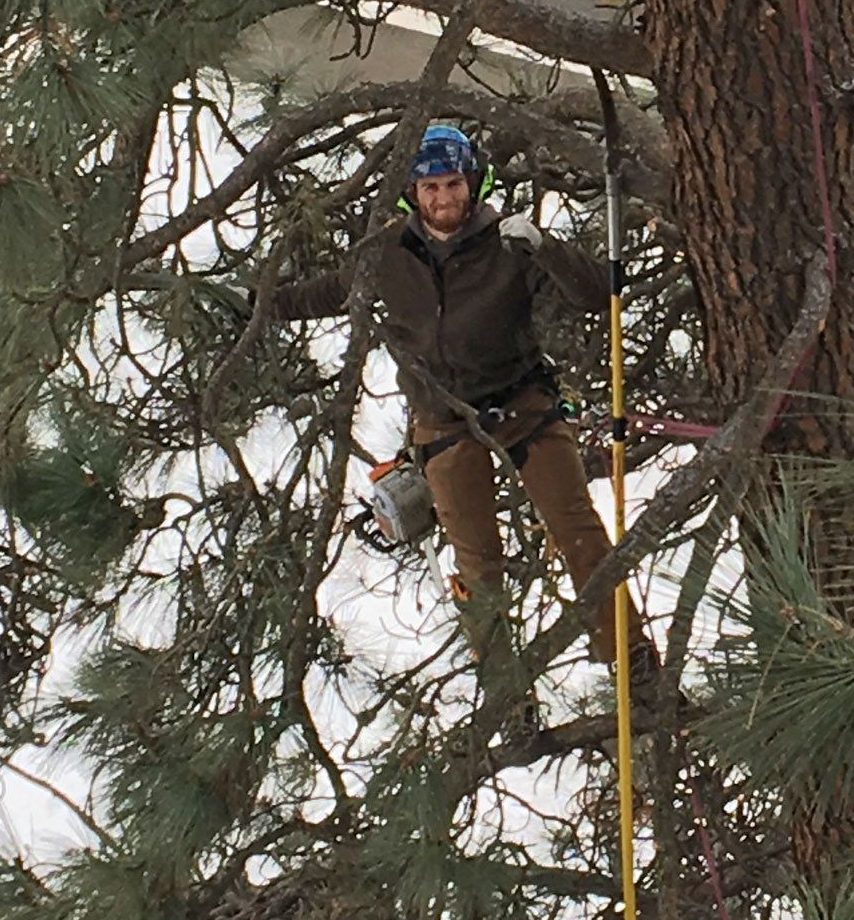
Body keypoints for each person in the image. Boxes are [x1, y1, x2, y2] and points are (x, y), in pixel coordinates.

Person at [271, 122, 642, 681]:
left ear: (472, 182)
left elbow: (597, 293)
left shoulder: (510, 242)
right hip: (442, 420)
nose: (444, 198)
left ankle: (632, 656)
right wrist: (256, 306)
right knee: (477, 564)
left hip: (523, 405)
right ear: (413, 194)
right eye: (430, 188)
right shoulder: (389, 254)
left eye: (453, 184)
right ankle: (503, 687)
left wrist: (545, 247)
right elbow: (324, 293)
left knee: (578, 531)